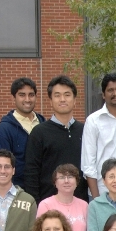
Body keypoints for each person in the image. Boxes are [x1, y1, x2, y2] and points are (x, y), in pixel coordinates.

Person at [23, 75, 88, 203]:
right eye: (57, 95)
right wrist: (36, 205)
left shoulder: (86, 130)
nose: (62, 99)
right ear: (51, 101)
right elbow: (31, 173)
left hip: (80, 204)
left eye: (67, 95)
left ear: (75, 100)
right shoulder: (39, 132)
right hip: (49, 205)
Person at [0, 77, 45, 187]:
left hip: (44, 190)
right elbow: (1, 165)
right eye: (22, 95)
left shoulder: (43, 124)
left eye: (31, 95)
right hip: (17, 191)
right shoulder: (5, 129)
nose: (27, 99)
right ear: (14, 98)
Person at [37, 164, 89, 231]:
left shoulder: (84, 205)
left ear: (77, 182)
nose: (66, 181)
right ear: (55, 183)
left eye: (70, 177)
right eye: (61, 177)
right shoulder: (45, 205)